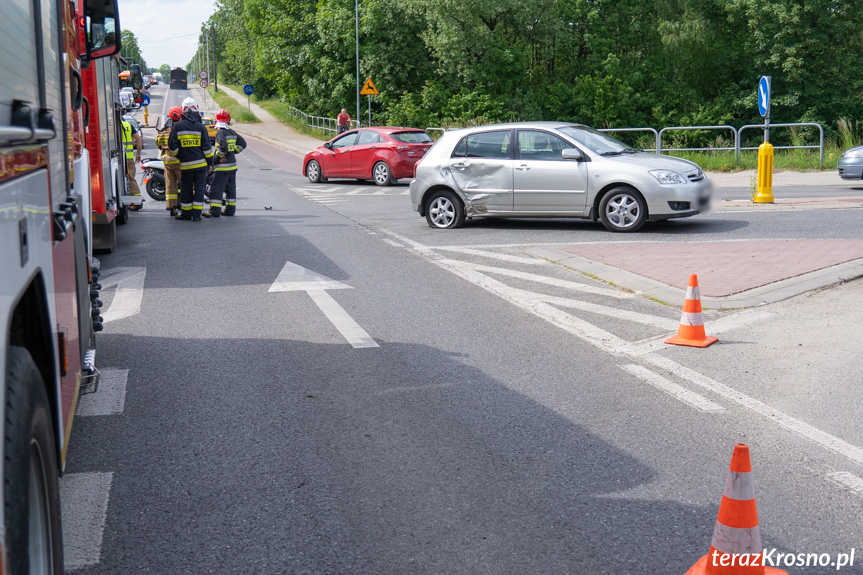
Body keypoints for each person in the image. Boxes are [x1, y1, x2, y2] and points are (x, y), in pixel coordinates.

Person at [168, 97, 214, 221]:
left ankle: (186, 214)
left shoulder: (177, 127)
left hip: (185, 165)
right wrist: (210, 163)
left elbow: (172, 147)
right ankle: (197, 214)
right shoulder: (201, 127)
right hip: (200, 166)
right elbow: (207, 149)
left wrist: (179, 155)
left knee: (186, 189)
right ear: (196, 110)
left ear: (183, 110)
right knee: (199, 189)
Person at [206, 109, 247, 217]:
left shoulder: (220, 132)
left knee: (216, 189)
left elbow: (223, 148)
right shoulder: (232, 132)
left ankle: (214, 211)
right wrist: (232, 152)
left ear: (216, 121)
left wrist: (216, 159)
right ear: (228, 121)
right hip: (232, 166)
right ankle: (230, 210)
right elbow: (243, 143)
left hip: (222, 167)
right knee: (230, 189)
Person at [156, 106, 183, 216]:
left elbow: (158, 144)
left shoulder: (163, 132)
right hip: (178, 161)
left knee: (170, 184)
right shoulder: (178, 131)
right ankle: (187, 206)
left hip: (167, 162)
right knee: (185, 183)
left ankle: (172, 207)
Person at [121, 116, 143, 210]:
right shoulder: (128, 125)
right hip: (129, 157)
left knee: (130, 180)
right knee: (130, 179)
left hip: (120, 157)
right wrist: (138, 154)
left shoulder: (113, 125)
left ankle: (137, 200)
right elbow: (138, 140)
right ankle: (132, 201)